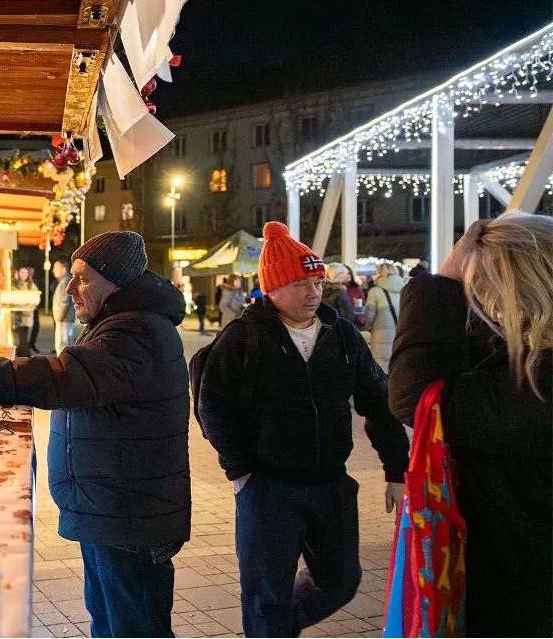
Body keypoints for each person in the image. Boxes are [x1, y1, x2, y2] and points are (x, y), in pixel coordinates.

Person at [0, 231, 190, 638]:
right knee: (109, 622)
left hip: (130, 516)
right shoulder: (121, 323)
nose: (71, 288)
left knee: (134, 628)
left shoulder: (135, 333)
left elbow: (57, 378)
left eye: (83, 278)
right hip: (113, 509)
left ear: (117, 283)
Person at [198, 222, 408, 638]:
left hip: (331, 484)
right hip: (267, 487)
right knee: (265, 597)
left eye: (317, 282)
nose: (314, 293)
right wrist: (240, 472)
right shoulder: (244, 337)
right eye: (301, 284)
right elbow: (212, 405)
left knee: (340, 582)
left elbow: (377, 402)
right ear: (273, 288)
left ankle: (272, 629)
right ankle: (269, 628)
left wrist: (396, 470)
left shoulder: (342, 334)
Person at [389, 215, 552, 637]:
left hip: (522, 602)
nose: (483, 305)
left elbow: (418, 395)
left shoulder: (538, 384)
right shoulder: (526, 367)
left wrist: (444, 280)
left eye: (484, 291)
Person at [363, 263, 403, 372]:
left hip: (380, 333)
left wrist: (369, 328)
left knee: (381, 368)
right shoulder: (405, 289)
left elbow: (370, 314)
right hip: (401, 332)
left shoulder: (375, 291)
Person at [12, 266, 38, 356]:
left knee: (25, 337)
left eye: (25, 273)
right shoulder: (15, 285)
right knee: (19, 337)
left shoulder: (32, 285)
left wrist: (32, 304)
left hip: (28, 316)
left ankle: (25, 355)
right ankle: (23, 354)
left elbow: (36, 299)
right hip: (18, 315)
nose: (23, 275)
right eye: (21, 273)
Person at [51, 259, 76, 352]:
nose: (53, 270)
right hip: (66, 318)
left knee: (62, 346)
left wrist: (59, 317)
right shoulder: (64, 281)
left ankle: (63, 366)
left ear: (63, 269)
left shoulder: (65, 281)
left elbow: (65, 301)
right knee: (66, 344)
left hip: (64, 319)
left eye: (56, 268)